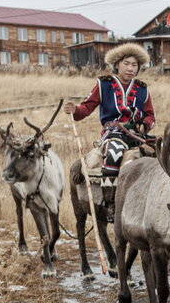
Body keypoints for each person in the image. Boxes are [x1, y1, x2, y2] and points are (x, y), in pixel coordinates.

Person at [62, 43, 155, 221]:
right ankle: (111, 203)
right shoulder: (104, 84)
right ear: (117, 64)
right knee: (113, 153)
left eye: (134, 65)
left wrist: (145, 124)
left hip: (137, 135)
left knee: (161, 154)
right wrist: (74, 109)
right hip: (113, 133)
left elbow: (150, 115)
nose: (130, 68)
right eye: (126, 64)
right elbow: (86, 108)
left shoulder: (143, 89)